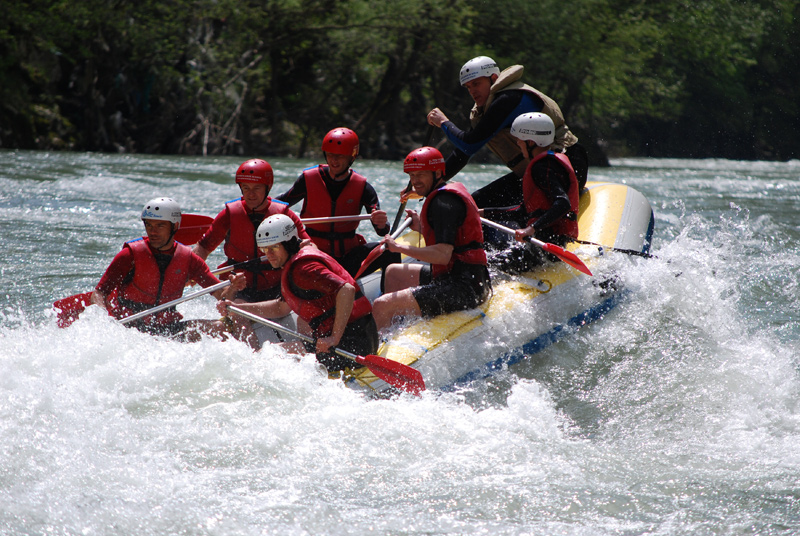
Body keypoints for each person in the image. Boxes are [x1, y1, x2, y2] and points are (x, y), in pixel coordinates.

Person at [426, 56, 586, 223]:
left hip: (568, 168)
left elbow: (468, 143)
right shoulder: (490, 107)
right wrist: (433, 181)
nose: (472, 91)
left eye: (476, 84)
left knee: (484, 204)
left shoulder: (509, 99)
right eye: (468, 87)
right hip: (538, 172)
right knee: (475, 201)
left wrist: (443, 122)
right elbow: (464, 153)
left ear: (493, 78)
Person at [219, 213, 379, 373]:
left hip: (351, 346)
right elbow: (280, 308)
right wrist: (236, 308)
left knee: (268, 354)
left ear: (288, 244)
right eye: (264, 249)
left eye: (274, 248)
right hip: (357, 337)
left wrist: (334, 338)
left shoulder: (304, 270)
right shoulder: (296, 264)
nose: (269, 255)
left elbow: (346, 290)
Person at [371, 147, 492, 332]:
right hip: (458, 276)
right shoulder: (443, 195)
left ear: (437, 173)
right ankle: (399, 330)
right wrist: (420, 227)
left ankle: (380, 351)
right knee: (393, 272)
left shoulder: (443, 203)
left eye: (421, 175)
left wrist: (398, 248)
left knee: (381, 305)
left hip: (465, 288)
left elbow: (442, 256)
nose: (415, 181)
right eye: (412, 175)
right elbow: (452, 238)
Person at [91, 197, 244, 341]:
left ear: (175, 226)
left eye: (160, 225)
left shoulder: (189, 259)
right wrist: (104, 319)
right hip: (129, 328)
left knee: (222, 328)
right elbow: (99, 293)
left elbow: (221, 296)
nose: (153, 231)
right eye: (149, 225)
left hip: (168, 328)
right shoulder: (129, 255)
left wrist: (233, 286)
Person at [194, 158, 309, 347]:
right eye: (245, 188)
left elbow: (306, 244)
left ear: (267, 188)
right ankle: (253, 358)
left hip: (275, 285)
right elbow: (204, 246)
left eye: (256, 188)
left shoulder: (284, 213)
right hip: (241, 287)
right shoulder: (230, 213)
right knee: (238, 312)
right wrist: (191, 271)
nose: (250, 194)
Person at [275, 127, 400, 278]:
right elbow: (280, 204)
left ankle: (388, 297)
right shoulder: (308, 180)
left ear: (351, 157)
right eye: (330, 155)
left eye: (340, 156)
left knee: (390, 250)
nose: (334, 160)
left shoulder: (363, 188)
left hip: (346, 258)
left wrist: (381, 223)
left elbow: (382, 231)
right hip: (313, 253)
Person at [488, 113, 581, 274]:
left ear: (531, 142)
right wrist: (483, 213)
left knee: (490, 265)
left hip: (544, 248)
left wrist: (531, 228)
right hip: (545, 243)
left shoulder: (542, 168)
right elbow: (522, 211)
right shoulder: (549, 163)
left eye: (520, 140)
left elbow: (562, 202)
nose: (517, 143)